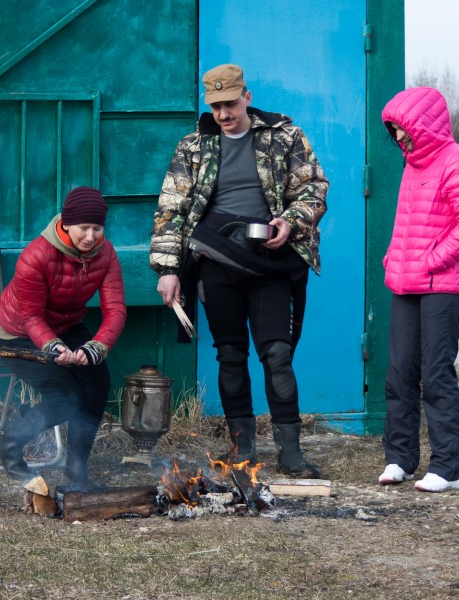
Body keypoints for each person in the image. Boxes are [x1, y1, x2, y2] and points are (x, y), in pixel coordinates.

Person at [149, 64, 328, 478]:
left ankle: (290, 451)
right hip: (217, 264)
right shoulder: (192, 147)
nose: (224, 114)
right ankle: (241, 448)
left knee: (277, 355)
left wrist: (291, 221)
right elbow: (170, 210)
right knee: (230, 356)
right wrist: (169, 268)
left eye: (230, 104)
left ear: (247, 97)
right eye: (215, 107)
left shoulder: (286, 136)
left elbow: (313, 186)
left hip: (269, 261)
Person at [378, 86, 459, 492]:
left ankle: (447, 469)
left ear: (424, 125)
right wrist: (394, 257)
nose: (399, 138)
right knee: (399, 371)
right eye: (394, 131)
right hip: (407, 283)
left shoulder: (455, 160)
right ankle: (400, 459)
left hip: (444, 286)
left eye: (403, 129)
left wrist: (429, 260)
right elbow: (408, 224)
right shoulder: (412, 165)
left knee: (435, 374)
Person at [0, 186, 126, 492]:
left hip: (66, 326)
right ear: (66, 223)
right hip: (18, 333)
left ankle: (76, 473)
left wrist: (96, 347)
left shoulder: (105, 254)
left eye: (97, 228)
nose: (91, 237)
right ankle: (8, 446)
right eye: (83, 228)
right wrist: (53, 347)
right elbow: (30, 317)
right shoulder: (36, 255)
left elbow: (115, 309)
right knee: (67, 398)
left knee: (97, 383)